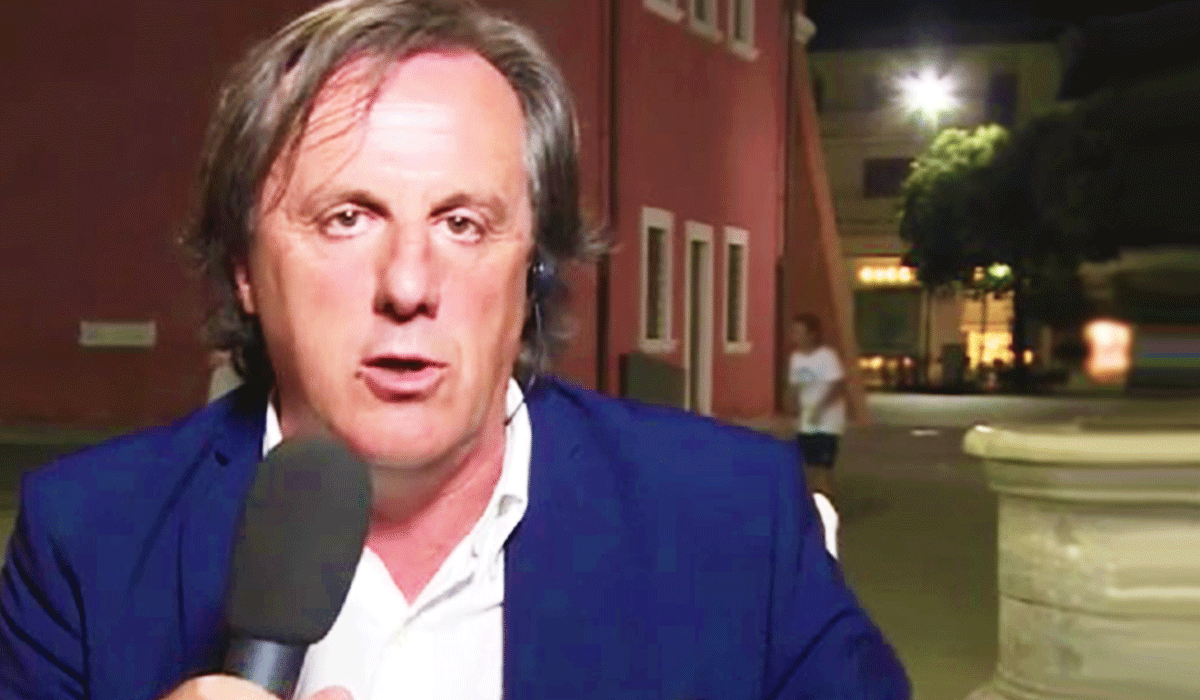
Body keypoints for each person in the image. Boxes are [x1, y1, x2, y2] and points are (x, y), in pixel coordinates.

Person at [0, 2, 909, 699]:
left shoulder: (737, 518)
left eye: (463, 222)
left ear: (533, 266)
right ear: (244, 268)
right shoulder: (84, 540)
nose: (408, 283)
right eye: (346, 218)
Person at [788, 313, 848, 498]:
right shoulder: (796, 358)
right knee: (806, 467)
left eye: (799, 332)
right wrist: (793, 411)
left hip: (827, 422)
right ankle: (811, 504)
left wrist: (820, 408)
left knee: (823, 469)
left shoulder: (827, 357)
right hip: (806, 421)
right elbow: (794, 386)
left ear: (812, 334)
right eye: (794, 332)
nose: (795, 336)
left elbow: (838, 386)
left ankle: (825, 504)